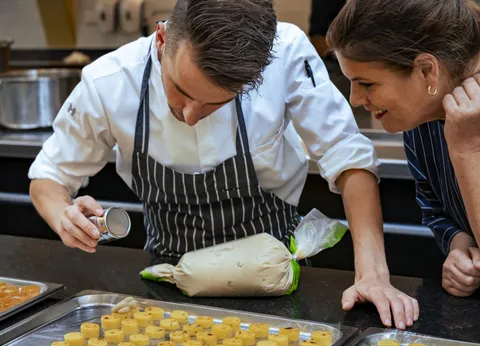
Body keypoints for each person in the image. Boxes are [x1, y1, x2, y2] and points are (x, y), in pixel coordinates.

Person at [29, 0, 418, 328]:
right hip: (168, 285)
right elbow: (49, 176)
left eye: (217, 103)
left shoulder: (285, 54)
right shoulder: (109, 81)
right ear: (162, 40)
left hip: (275, 286)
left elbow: (346, 155)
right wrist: (63, 213)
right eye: (180, 92)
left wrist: (373, 276)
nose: (192, 115)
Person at [327, 0, 480, 298]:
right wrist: (459, 247)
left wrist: (467, 151)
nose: (355, 99)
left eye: (367, 84)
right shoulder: (420, 113)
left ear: (426, 71)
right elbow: (434, 207)